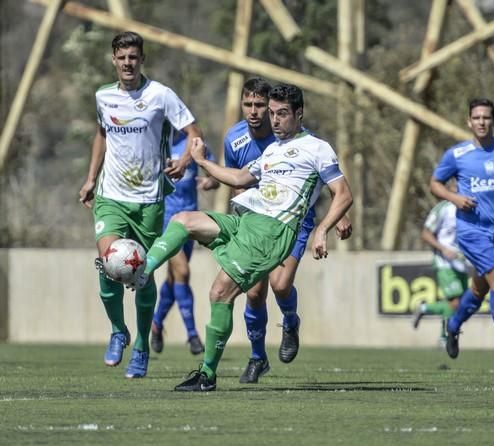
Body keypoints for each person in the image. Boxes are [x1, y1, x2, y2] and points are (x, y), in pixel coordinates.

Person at [132, 83, 353, 392]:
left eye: (282, 114)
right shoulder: (272, 150)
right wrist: (202, 162)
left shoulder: (317, 147)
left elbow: (343, 193)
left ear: (299, 114)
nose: (274, 120)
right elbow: (238, 178)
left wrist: (322, 229)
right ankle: (142, 270)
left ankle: (207, 374)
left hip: (273, 234)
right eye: (272, 113)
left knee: (223, 292)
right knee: (184, 221)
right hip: (247, 222)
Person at [78, 31, 202, 378]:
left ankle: (143, 347)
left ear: (141, 59)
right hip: (111, 196)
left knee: (142, 276)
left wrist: (186, 162)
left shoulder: (161, 95)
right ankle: (119, 330)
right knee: (109, 264)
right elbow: (101, 134)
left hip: (149, 200)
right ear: (113, 60)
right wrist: (91, 178)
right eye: (122, 57)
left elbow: (194, 132)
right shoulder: (103, 96)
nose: (128, 63)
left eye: (134, 57)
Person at [223, 77, 352, 384]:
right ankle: (257, 357)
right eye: (249, 105)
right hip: (255, 221)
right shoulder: (234, 139)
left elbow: (314, 180)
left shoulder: (295, 139)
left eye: (261, 106)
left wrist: (336, 217)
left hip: (293, 220)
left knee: (280, 286)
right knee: (254, 292)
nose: (256, 112)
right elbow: (238, 178)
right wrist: (207, 174)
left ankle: (290, 321)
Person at [429, 98, 494, 368]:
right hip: (471, 232)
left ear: (493, 121)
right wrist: (454, 198)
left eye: (486, 117)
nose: (481, 122)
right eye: (476, 118)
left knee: (478, 288)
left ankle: (453, 324)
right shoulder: (457, 154)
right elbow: (435, 184)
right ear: (469, 122)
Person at [150, 130, 219, 356]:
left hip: (191, 220)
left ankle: (156, 323)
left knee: (174, 279)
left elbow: (215, 175)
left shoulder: (196, 143)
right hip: (167, 221)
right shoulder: (155, 142)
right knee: (183, 272)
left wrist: (210, 181)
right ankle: (192, 336)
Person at [412, 200, 470, 347]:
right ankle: (444, 338)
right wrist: (443, 249)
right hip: (445, 262)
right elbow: (425, 234)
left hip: (462, 263)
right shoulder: (443, 208)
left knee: (461, 305)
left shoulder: (470, 206)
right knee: (455, 302)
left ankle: (424, 308)